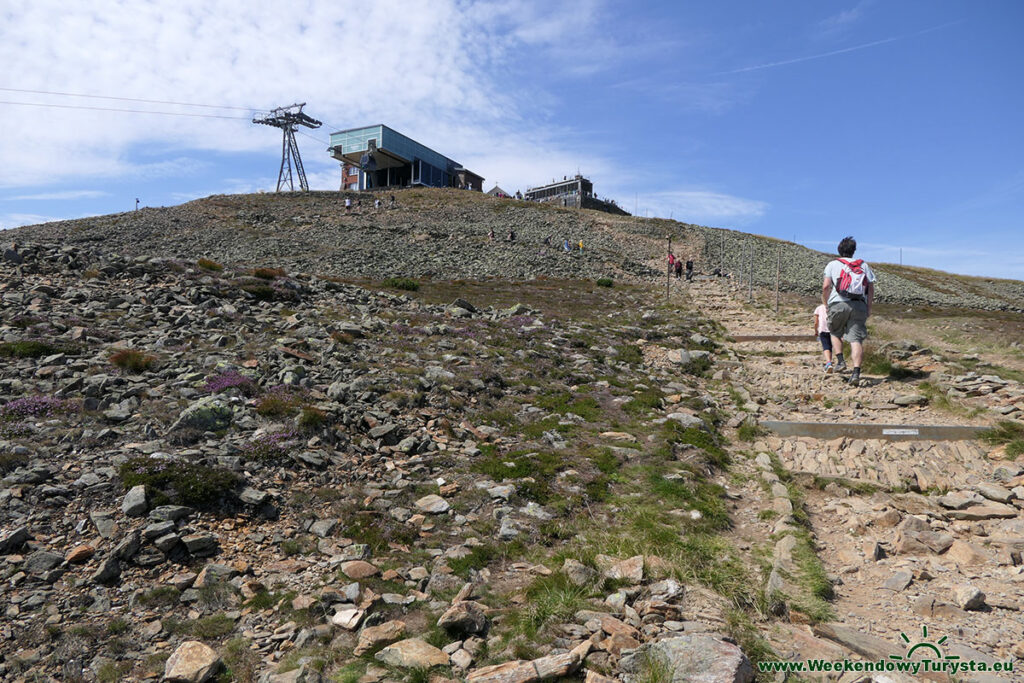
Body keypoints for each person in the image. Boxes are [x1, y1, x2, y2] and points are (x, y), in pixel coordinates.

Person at [822, 236, 877, 386]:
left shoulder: (832, 264)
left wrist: (826, 303)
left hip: (838, 303)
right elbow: (870, 288)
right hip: (859, 305)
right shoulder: (864, 265)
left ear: (839, 250)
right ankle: (856, 372)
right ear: (854, 251)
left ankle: (840, 361)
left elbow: (826, 286)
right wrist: (868, 307)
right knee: (856, 340)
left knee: (834, 332)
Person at [814, 303, 841, 373]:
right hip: (833, 329)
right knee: (831, 347)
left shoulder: (818, 308)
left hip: (823, 330)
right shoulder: (835, 306)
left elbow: (816, 322)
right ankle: (836, 362)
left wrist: (816, 331)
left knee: (826, 347)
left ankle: (828, 363)